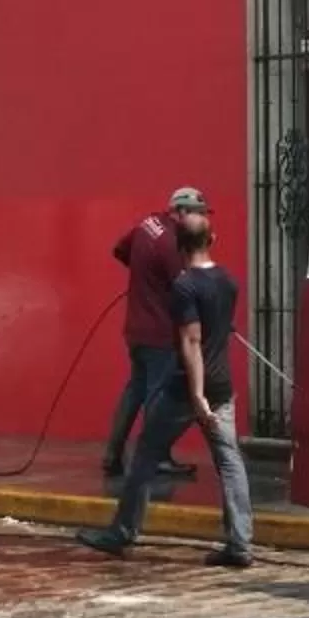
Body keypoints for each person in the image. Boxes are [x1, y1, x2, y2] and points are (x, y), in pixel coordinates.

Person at [78, 213, 253, 567]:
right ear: (213, 240)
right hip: (223, 386)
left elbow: (191, 342)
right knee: (230, 461)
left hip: (186, 388)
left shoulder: (184, 287)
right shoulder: (228, 282)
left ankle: (122, 533)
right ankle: (240, 543)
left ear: (179, 245)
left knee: (145, 454)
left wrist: (198, 395)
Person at [102, 187, 208, 480]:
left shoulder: (146, 225)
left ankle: (112, 454)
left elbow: (119, 250)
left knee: (134, 390)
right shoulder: (172, 244)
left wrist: (145, 279)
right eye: (198, 215)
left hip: (135, 329)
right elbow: (184, 288)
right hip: (159, 331)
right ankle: (156, 458)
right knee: (157, 398)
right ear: (182, 212)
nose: (200, 222)